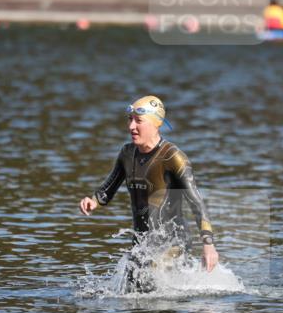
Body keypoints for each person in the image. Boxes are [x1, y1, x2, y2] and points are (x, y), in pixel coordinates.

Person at [79, 96, 219, 292]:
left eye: (138, 120)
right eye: (130, 119)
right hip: (142, 245)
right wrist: (93, 201)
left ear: (157, 123)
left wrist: (208, 245)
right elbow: (108, 189)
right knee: (132, 289)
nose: (131, 126)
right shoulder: (127, 154)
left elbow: (197, 203)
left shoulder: (173, 157)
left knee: (150, 277)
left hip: (173, 244)